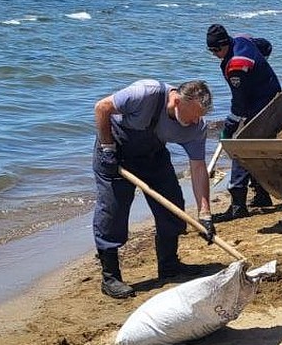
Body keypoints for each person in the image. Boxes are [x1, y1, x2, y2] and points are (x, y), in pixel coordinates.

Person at [92, 79, 216, 299]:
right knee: (113, 211)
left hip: (153, 155)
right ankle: (110, 277)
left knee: (172, 205)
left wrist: (205, 213)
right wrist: (107, 147)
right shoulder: (146, 93)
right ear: (177, 100)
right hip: (116, 151)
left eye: (201, 115)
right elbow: (102, 107)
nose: (196, 120)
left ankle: (169, 266)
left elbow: (198, 168)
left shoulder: (196, 128)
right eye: (193, 114)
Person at [206, 23, 282, 220]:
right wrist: (260, 68)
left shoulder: (237, 66)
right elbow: (266, 46)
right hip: (274, 94)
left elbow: (239, 105)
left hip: (262, 103)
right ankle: (262, 194)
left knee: (240, 147)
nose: (215, 54)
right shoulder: (243, 39)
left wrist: (228, 128)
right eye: (211, 50)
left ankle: (238, 205)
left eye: (217, 49)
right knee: (252, 146)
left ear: (225, 43)